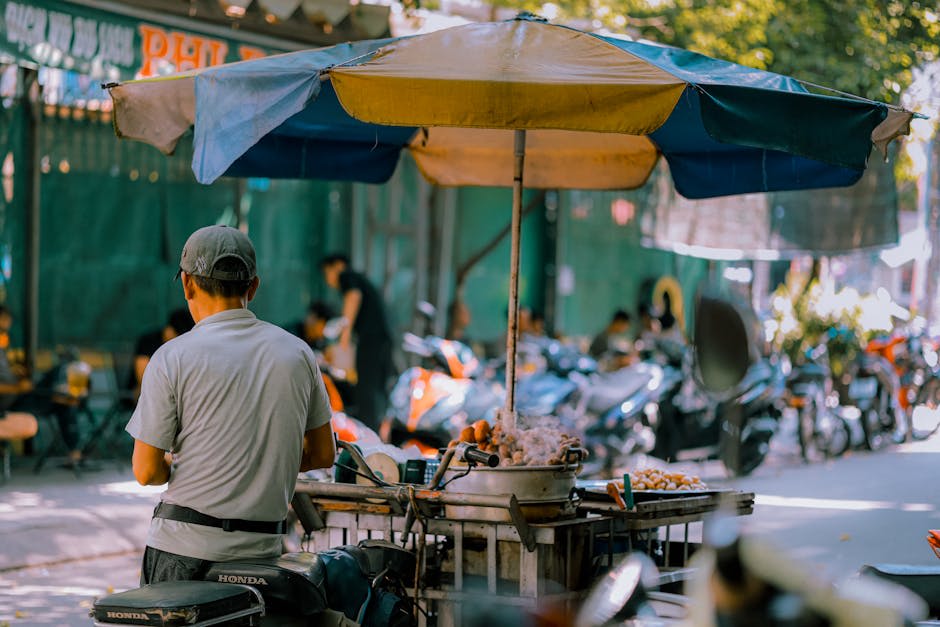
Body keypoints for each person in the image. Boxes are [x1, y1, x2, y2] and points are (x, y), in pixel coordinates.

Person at [127, 225, 335, 584]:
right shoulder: (298, 353)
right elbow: (323, 454)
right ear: (253, 287)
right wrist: (261, 463)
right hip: (263, 556)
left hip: (183, 551)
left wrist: (183, 467)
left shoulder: (172, 357)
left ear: (187, 284)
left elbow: (146, 471)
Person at [320, 253, 393, 431]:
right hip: (381, 339)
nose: (328, 280)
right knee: (375, 388)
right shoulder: (361, 279)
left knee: (366, 389)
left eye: (327, 273)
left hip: (371, 340)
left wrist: (345, 335)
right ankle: (376, 429)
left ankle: (368, 434)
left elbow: (353, 296)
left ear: (337, 265)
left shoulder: (348, 276)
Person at [130, 308, 195, 397]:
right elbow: (143, 379)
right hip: (145, 393)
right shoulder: (149, 341)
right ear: (170, 330)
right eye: (179, 336)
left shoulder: (184, 347)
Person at [0, 305, 37, 447]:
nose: (7, 324)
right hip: (10, 401)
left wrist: (12, 371)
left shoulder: (2, 345)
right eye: (4, 319)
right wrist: (16, 388)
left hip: (16, 397)